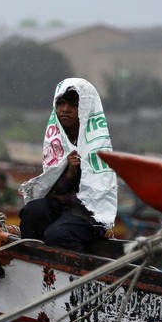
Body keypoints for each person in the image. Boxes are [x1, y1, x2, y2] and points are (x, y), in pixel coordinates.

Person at [18, 78, 118, 252]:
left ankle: (78, 276)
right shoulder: (57, 141)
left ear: (86, 109)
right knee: (32, 212)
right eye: (61, 104)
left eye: (73, 105)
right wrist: (70, 174)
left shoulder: (97, 143)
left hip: (89, 213)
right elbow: (51, 189)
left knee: (58, 235)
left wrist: (63, 197)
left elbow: (97, 196)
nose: (64, 109)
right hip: (64, 207)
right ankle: (32, 262)